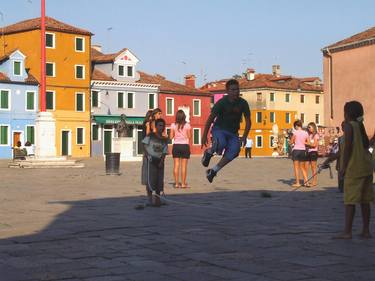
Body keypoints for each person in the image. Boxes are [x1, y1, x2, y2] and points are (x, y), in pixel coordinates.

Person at [333, 101, 373, 239]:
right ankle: (366, 230)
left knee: (350, 201)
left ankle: (347, 231)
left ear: (347, 113)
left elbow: (348, 148)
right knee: (365, 200)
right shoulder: (360, 126)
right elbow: (366, 145)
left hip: (354, 168)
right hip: (366, 167)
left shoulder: (349, 127)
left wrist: (343, 167)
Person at [201, 79, 251, 183]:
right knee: (221, 143)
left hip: (233, 133)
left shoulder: (243, 103)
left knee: (235, 151)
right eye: (233, 90)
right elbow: (210, 119)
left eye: (237, 89)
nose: (236, 92)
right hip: (219, 129)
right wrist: (204, 135)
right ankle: (209, 152)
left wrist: (245, 136)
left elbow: (248, 121)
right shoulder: (222, 103)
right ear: (227, 91)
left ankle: (213, 171)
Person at [142, 118, 168, 207]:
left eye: (163, 126)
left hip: (159, 161)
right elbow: (144, 145)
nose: (161, 127)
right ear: (156, 126)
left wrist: (162, 161)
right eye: (159, 125)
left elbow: (165, 151)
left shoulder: (164, 139)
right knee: (150, 180)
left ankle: (158, 199)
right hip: (151, 160)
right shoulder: (150, 135)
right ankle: (149, 199)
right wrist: (147, 155)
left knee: (159, 180)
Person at [170, 110, 191, 188]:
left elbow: (171, 137)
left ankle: (176, 183)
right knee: (184, 166)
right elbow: (189, 136)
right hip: (185, 146)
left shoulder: (173, 125)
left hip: (176, 146)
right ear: (184, 116)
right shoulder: (187, 125)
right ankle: (183, 183)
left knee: (176, 165)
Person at [290, 120, 309, 187]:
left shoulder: (295, 132)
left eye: (295, 126)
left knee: (296, 168)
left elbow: (291, 142)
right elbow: (307, 142)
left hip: (296, 150)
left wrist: (292, 142)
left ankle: (298, 182)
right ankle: (307, 182)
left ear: (296, 126)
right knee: (303, 167)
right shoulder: (306, 133)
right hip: (303, 150)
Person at [141, 110, 154, 188]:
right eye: (152, 116)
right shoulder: (148, 123)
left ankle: (144, 180)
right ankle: (147, 180)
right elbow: (148, 134)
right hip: (147, 144)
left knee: (145, 163)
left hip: (144, 143)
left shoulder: (144, 123)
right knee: (147, 162)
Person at [306, 122, 319, 186]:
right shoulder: (309, 135)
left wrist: (307, 144)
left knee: (313, 168)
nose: (308, 129)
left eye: (309, 127)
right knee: (306, 167)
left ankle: (315, 181)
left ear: (313, 127)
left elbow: (315, 145)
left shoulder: (316, 135)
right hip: (308, 152)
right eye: (308, 127)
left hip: (313, 152)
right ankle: (306, 181)